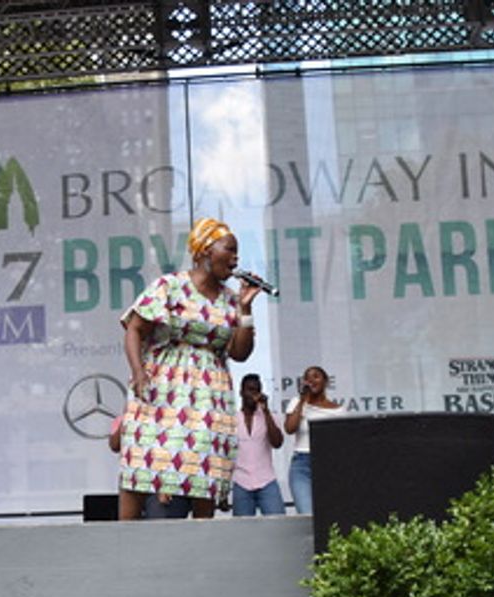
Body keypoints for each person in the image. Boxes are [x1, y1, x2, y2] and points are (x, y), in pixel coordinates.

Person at [117, 217, 257, 521]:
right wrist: (139, 372)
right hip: (162, 390)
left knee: (203, 469)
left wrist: (245, 310)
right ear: (206, 249)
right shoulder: (170, 286)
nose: (236, 258)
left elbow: (240, 352)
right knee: (143, 464)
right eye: (229, 249)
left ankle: (201, 550)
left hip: (210, 397)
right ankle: (121, 544)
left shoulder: (231, 300)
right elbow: (135, 329)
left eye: (237, 252)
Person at [283, 365, 343, 515]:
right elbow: (289, 428)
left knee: (331, 514)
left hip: (329, 464)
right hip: (302, 465)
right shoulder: (297, 402)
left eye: (316, 376)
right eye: (307, 378)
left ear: (326, 381)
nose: (311, 380)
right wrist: (303, 400)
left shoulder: (339, 410)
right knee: (307, 514)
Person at [232, 374, 285, 516]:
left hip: (266, 480)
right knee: (242, 532)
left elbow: (277, 443)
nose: (253, 394)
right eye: (249, 390)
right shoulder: (232, 419)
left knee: (278, 526)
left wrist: (266, 410)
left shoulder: (270, 416)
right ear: (241, 392)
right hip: (241, 481)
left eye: (256, 390)